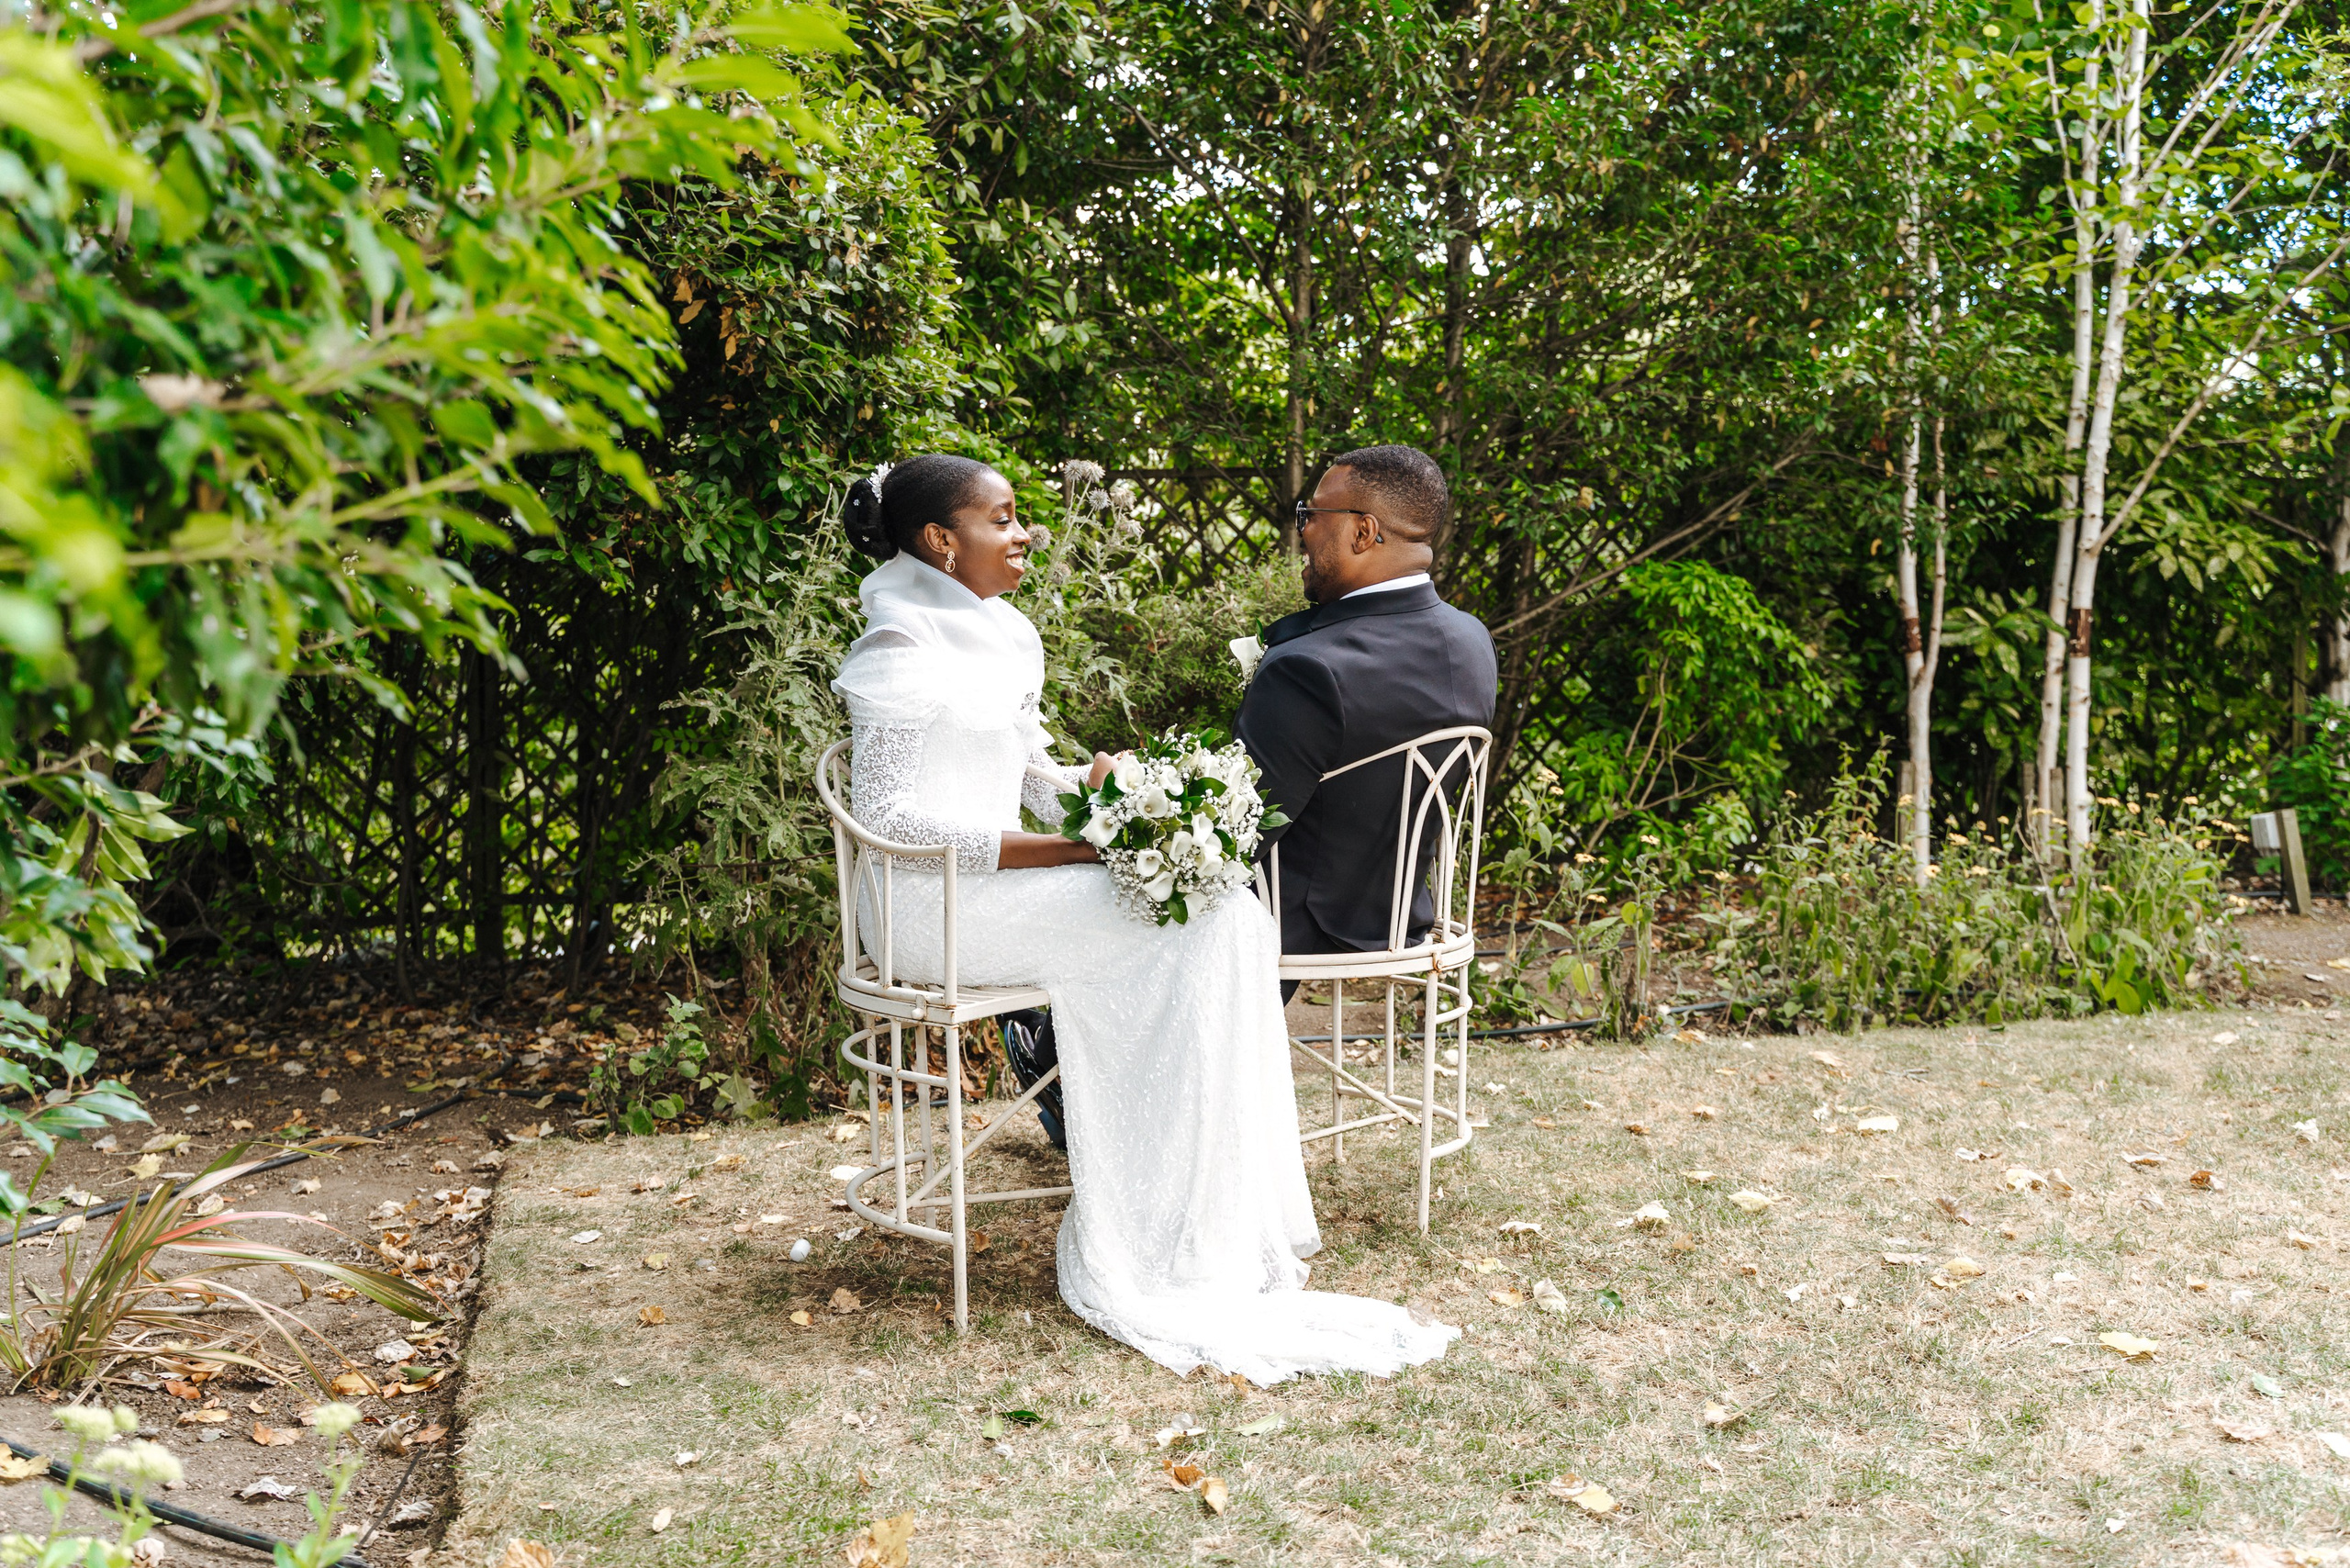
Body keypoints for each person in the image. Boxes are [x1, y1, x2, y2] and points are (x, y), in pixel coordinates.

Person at [831, 453, 1457, 1385]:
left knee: (1223, 915)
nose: (1024, 533)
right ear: (939, 543)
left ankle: (1203, 1213)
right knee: (1190, 922)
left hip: (998, 887)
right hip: (932, 907)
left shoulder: (1003, 633)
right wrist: (1076, 850)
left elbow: (1029, 772)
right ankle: (1155, 1228)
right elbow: (897, 824)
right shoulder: (895, 650)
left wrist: (1111, 793)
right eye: (1001, 520)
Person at [1237, 445, 1499, 984]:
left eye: (1312, 515)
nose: (1303, 531)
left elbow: (1238, 834)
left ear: (1362, 532)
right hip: (1403, 913)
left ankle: (1055, 1055)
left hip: (1293, 920)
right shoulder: (1472, 638)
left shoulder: (1307, 666)